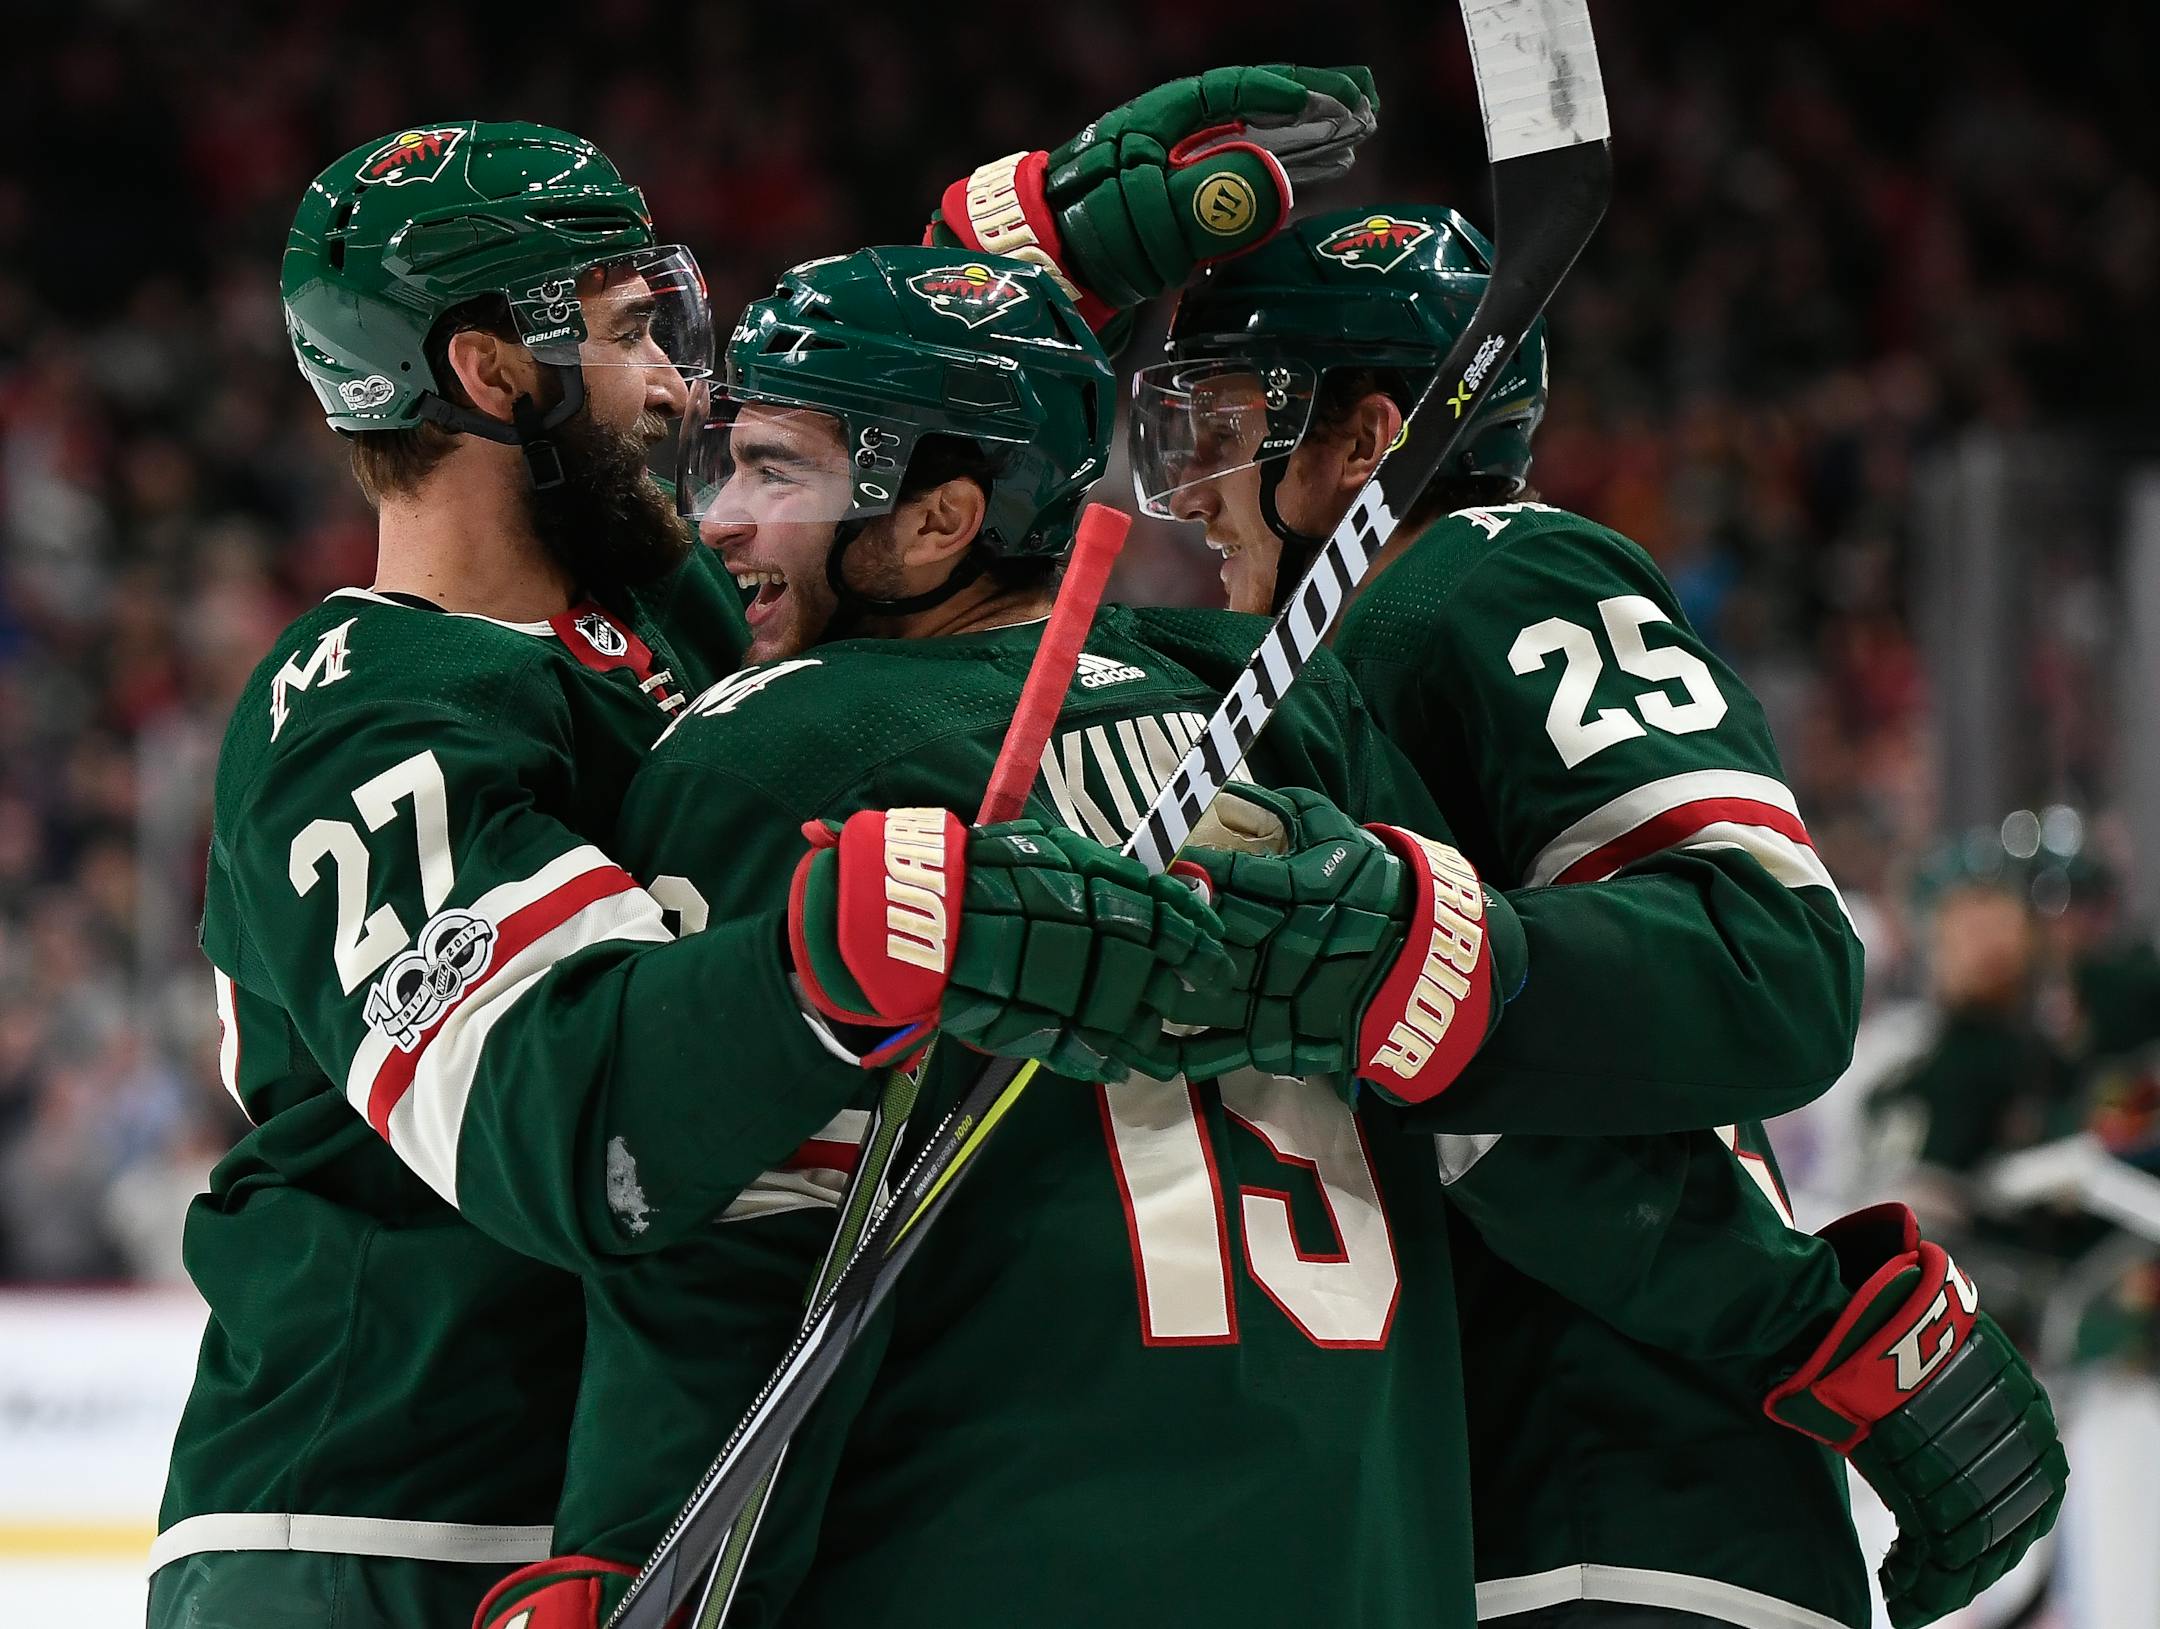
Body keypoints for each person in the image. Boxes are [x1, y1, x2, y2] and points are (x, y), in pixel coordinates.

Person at [149, 119, 1239, 1629]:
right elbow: (577, 1127)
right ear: (490, 374)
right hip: (380, 1525)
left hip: (609, 1520)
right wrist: (829, 949)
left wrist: (1006, 276)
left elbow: (852, 527)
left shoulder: (646, 609)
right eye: (630, 332)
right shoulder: (362, 710)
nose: (681, 386)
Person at [473, 243, 1539, 1629]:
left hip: (998, 1559)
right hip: (1365, 1565)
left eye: (777, 471)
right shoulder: (1279, 710)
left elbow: (729, 1246)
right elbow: (1495, 1111)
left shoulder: (778, 750)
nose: (721, 518)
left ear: (938, 523)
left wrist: (627, 1556)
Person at [1133, 204, 2069, 1629]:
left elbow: (1771, 958)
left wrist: (1421, 958)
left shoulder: (1488, 574)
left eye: (1225, 423)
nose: (1191, 490)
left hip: (1623, 1505)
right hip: (1465, 1507)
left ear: (1367, 440)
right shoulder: (1298, 679)